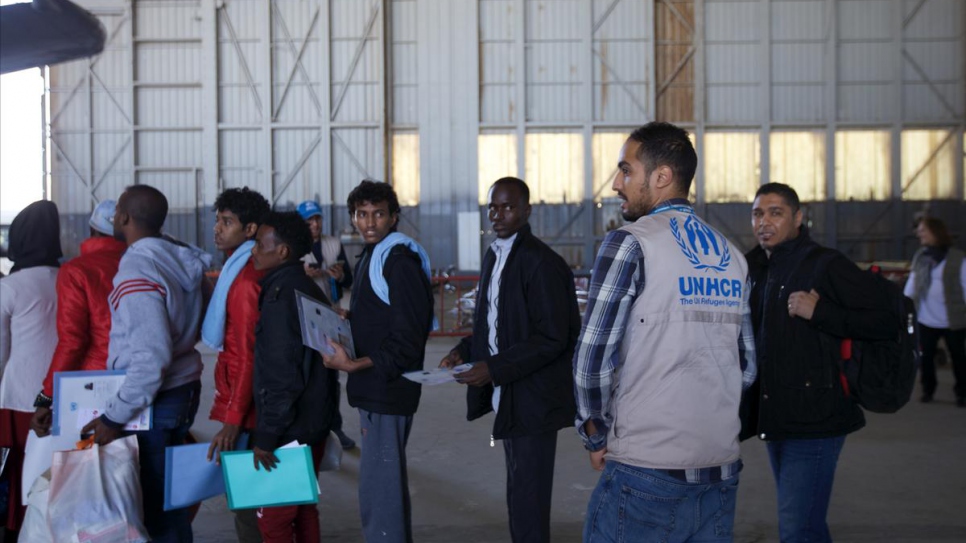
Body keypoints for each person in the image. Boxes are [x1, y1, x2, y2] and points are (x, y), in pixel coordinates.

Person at [573, 122, 757, 543]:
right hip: (719, 471)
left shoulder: (630, 244)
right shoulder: (732, 256)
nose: (617, 183)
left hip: (646, 471)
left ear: (661, 177)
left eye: (626, 170)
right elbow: (745, 367)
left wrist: (594, 433)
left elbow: (591, 361)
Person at [743, 182, 894, 542]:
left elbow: (886, 321)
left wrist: (821, 312)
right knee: (805, 524)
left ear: (798, 217)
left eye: (775, 212)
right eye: (758, 213)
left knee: (797, 529)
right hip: (777, 415)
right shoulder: (754, 268)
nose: (764, 221)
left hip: (817, 419)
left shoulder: (825, 265)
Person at [439, 177, 579, 543]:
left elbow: (553, 338)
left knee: (529, 496)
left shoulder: (541, 263)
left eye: (508, 206)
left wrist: (494, 368)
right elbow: (494, 320)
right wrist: (466, 350)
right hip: (510, 395)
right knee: (519, 490)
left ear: (527, 210)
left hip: (533, 399)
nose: (498, 214)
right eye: (493, 206)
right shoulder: (495, 255)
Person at [81, 184, 212, 542]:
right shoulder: (179, 259)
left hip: (155, 399)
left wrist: (114, 416)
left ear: (122, 217)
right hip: (183, 387)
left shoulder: (138, 268)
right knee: (169, 502)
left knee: (156, 508)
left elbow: (151, 356)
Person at [321, 180, 434, 543]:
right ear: (353, 218)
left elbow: (408, 338)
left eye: (379, 214)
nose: (370, 222)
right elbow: (385, 319)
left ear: (394, 217)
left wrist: (355, 365)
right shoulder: (374, 253)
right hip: (375, 388)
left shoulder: (399, 261)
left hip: (389, 390)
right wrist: (351, 319)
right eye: (362, 214)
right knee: (380, 486)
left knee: (380, 491)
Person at [249, 211, 339, 543]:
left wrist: (269, 435)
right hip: (312, 422)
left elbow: (282, 374)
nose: (254, 250)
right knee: (302, 510)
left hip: (290, 429)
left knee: (273, 520)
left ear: (283, 251)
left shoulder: (280, 298)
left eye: (260, 244)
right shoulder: (305, 287)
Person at [200, 187, 270, 543]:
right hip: (253, 402)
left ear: (250, 229)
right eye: (217, 220)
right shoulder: (241, 267)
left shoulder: (244, 281)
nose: (218, 228)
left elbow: (246, 354)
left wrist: (232, 419)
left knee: (249, 502)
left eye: (227, 222)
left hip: (250, 409)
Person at [29, 199, 126, 437]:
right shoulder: (144, 264)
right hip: (143, 384)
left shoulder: (77, 271)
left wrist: (47, 396)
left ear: (92, 230)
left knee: (93, 464)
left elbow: (73, 341)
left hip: (94, 385)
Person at [0, 200, 61, 539]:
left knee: (16, 479)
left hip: (18, 400)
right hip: (61, 397)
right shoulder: (70, 277)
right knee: (52, 476)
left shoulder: (10, 287)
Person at [297, 199, 357, 450]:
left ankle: (335, 428)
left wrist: (340, 275)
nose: (315, 224)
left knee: (330, 376)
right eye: (309, 220)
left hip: (329, 317)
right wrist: (301, 274)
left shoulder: (333, 244)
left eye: (318, 218)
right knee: (303, 375)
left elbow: (348, 279)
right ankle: (303, 431)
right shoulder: (291, 247)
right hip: (302, 319)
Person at [903, 216, 966, 406]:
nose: (919, 234)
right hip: (925, 319)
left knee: (959, 358)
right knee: (925, 358)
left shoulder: (957, 258)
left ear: (935, 232)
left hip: (953, 320)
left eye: (923, 230)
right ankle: (928, 391)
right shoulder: (921, 257)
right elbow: (912, 284)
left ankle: (962, 393)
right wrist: (904, 304)